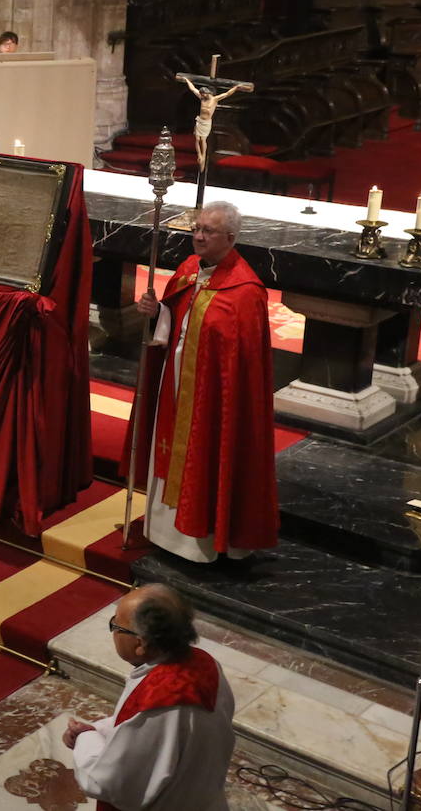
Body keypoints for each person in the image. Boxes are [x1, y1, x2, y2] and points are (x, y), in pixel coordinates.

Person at [130, 201, 278, 562]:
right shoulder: (188, 270)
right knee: (168, 451)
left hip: (212, 397)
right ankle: (164, 533)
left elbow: (240, 363)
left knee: (206, 453)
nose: (197, 236)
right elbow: (175, 319)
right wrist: (158, 312)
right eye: (196, 228)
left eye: (207, 231)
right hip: (175, 383)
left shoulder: (246, 291)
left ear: (229, 237)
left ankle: (199, 543)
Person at [65, 584, 235, 809]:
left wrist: (85, 739)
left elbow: (108, 783)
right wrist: (99, 730)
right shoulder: (204, 662)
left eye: (116, 626)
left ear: (141, 643)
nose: (113, 633)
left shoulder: (159, 699)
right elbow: (149, 732)